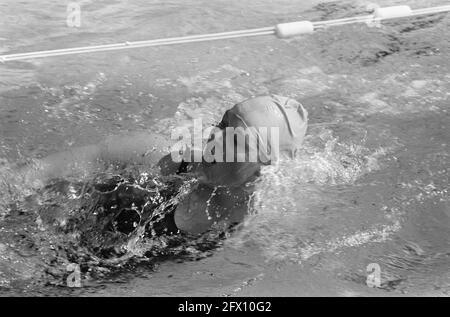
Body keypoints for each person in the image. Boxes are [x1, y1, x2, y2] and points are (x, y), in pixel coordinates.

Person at [18, 95, 308, 234]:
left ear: (266, 166)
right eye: (222, 123)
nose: (216, 138)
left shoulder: (259, 217)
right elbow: (35, 172)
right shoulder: (162, 156)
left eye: (237, 140)